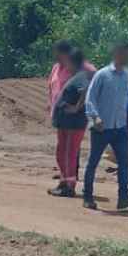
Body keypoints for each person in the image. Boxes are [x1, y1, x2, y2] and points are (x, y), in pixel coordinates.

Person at [83, 42, 128, 211]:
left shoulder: (127, 75)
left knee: (124, 162)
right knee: (93, 162)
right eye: (125, 54)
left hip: (120, 127)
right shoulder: (102, 75)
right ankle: (87, 197)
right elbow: (90, 98)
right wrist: (96, 118)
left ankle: (123, 197)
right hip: (102, 127)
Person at [49, 49, 93, 197]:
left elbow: (85, 90)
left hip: (73, 124)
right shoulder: (77, 75)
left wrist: (76, 108)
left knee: (69, 154)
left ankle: (69, 186)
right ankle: (64, 182)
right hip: (67, 123)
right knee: (63, 153)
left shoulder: (81, 76)